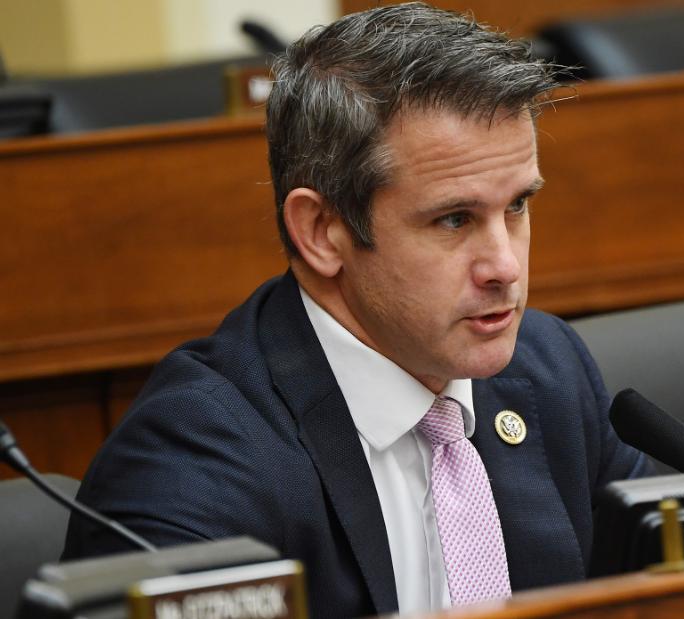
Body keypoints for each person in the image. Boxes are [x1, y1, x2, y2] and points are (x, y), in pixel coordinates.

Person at [61, 3, 652, 617]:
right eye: (455, 219)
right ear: (322, 232)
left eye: (517, 207)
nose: (505, 266)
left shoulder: (548, 368)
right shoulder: (196, 462)